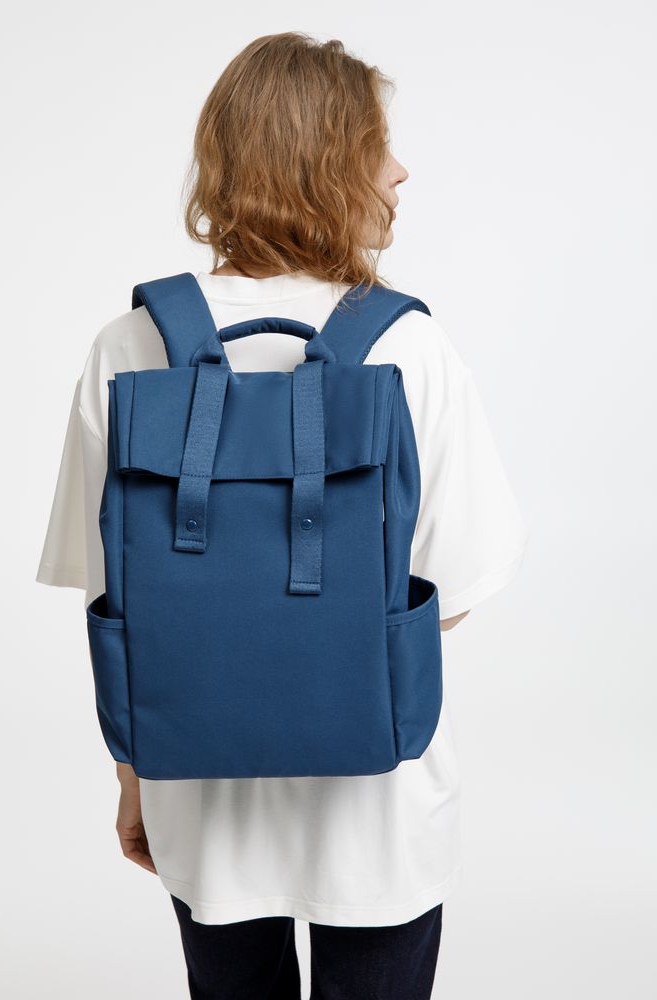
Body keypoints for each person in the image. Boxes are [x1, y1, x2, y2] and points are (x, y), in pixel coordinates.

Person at [35, 31, 529, 1000]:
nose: (401, 171)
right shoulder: (411, 347)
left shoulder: (129, 343)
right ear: (326, 164)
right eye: (379, 147)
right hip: (379, 816)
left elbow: (114, 597)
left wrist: (135, 776)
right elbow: (454, 591)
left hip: (202, 805)